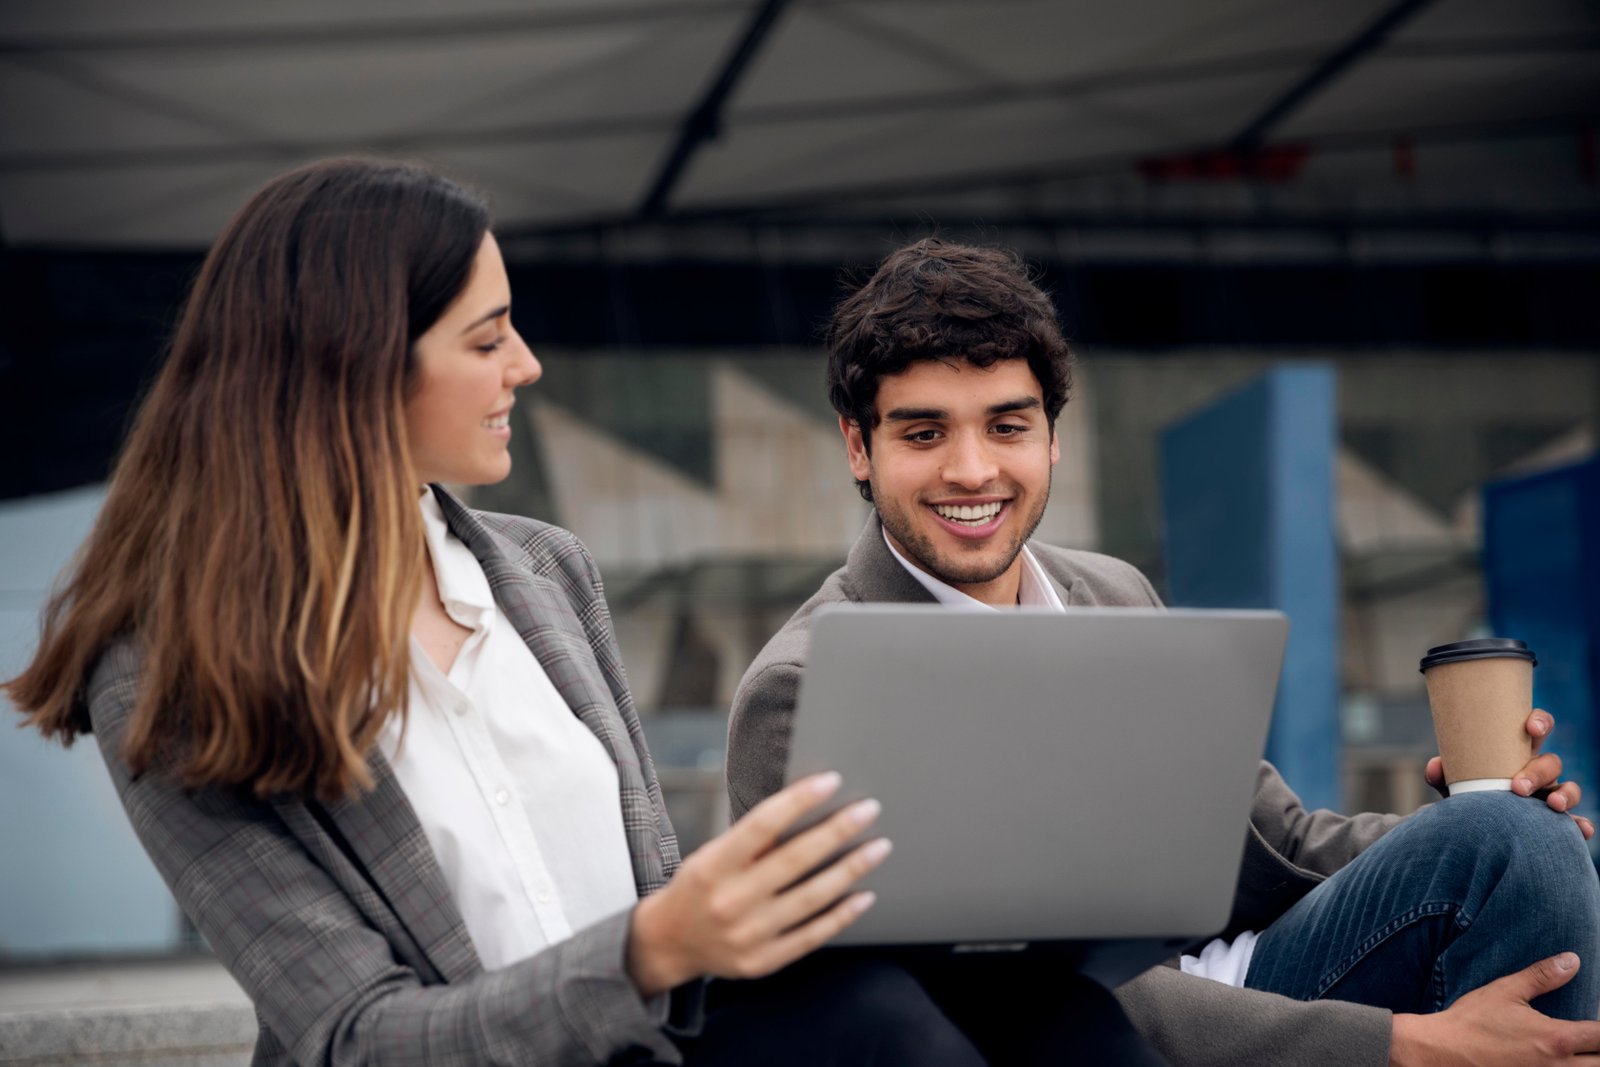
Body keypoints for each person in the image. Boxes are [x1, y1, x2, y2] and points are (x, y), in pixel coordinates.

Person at [5, 161, 1164, 1066]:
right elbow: (354, 1037)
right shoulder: (167, 662)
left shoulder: (540, 572)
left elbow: (654, 904)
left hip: (659, 1041)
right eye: (487, 334)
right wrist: (659, 944)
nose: (528, 364)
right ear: (356, 364)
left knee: (1055, 1019)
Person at [725, 237, 1600, 1067]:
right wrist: (1398, 1044)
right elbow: (989, 995)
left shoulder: (1111, 593)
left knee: (1521, 836)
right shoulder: (806, 687)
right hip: (1068, 1041)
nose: (971, 469)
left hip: (1253, 980)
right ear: (858, 449)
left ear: (1053, 436)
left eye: (1007, 426)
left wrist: (1466, 819)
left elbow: (1279, 841)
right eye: (924, 434)